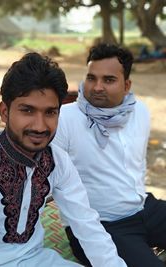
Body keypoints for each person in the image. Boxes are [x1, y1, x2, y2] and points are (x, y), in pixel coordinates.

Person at [0, 52, 127, 267]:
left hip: (37, 260)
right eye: (27, 110)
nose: (40, 126)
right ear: (4, 112)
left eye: (50, 112)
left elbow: (88, 226)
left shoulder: (57, 160)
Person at [53, 43, 166, 267]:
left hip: (143, 208)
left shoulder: (139, 112)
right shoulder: (63, 120)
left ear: (127, 85)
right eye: (91, 78)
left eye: (108, 80)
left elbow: (137, 167)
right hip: (101, 225)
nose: (97, 87)